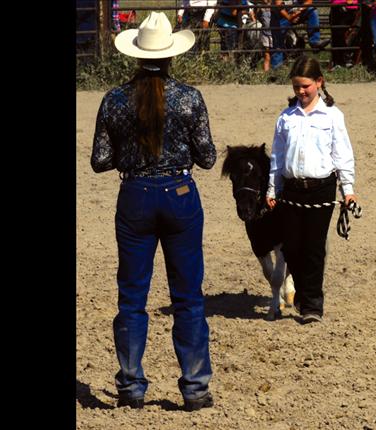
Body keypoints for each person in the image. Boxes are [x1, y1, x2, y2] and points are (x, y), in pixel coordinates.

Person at [91, 11, 217, 411]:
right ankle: (195, 387)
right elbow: (209, 157)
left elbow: (100, 160)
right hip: (179, 193)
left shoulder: (114, 100)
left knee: (131, 296)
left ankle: (131, 385)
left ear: (135, 56)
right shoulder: (189, 98)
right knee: (188, 296)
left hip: (135, 196)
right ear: (170, 55)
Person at [266, 56, 357, 324]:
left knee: (314, 247)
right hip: (292, 189)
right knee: (291, 247)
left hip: (321, 189)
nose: (301, 92)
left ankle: (312, 306)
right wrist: (273, 189)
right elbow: (278, 156)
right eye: (296, 87)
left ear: (319, 82)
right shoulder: (286, 118)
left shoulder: (332, 116)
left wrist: (348, 190)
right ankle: (305, 296)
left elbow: (342, 155)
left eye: (306, 86)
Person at [270, 0, 331, 69]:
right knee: (278, 42)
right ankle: (277, 67)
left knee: (312, 10)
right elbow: (279, 5)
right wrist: (290, 17)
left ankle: (315, 42)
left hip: (295, 11)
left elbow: (309, 1)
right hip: (280, 16)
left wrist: (298, 11)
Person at [328, 0, 360, 70]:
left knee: (340, 33)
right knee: (335, 35)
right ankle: (338, 61)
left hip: (349, 9)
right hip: (335, 8)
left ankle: (345, 59)